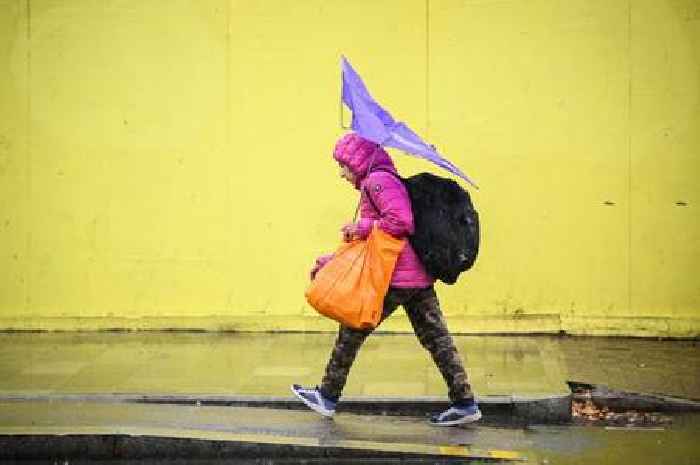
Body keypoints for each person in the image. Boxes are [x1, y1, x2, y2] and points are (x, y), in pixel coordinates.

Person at [292, 133, 481, 426]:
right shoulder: (380, 181)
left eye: (343, 166)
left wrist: (362, 226)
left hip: (395, 276)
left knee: (351, 332)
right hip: (415, 275)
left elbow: (401, 221)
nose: (341, 173)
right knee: (437, 338)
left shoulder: (377, 182)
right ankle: (465, 403)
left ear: (357, 162)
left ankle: (327, 397)